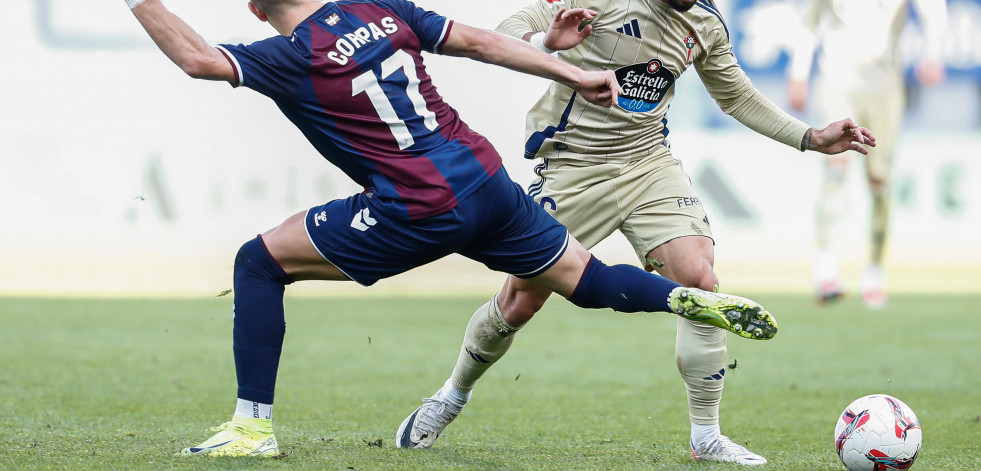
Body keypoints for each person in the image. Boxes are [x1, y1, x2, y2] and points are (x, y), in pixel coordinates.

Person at [123, 0, 782, 458]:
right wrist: (574, 71)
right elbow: (481, 41)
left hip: (414, 205)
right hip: (484, 178)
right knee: (584, 279)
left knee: (257, 262)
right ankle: (677, 296)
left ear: (254, 10)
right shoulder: (377, 8)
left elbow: (199, 60)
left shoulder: (284, 53)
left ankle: (250, 426)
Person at [396, 0, 875, 465]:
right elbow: (511, 26)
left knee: (700, 281)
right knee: (522, 300)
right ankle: (451, 396)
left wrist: (811, 138)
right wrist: (546, 40)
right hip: (573, 166)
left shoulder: (705, 23)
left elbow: (737, 96)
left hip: (647, 164)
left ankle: (706, 436)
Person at [787, 0, 947, 308]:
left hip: (885, 87)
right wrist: (798, 72)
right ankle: (826, 266)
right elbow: (809, 20)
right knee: (836, 170)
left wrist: (933, 53)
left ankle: (874, 270)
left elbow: (934, 10)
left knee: (880, 182)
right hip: (837, 80)